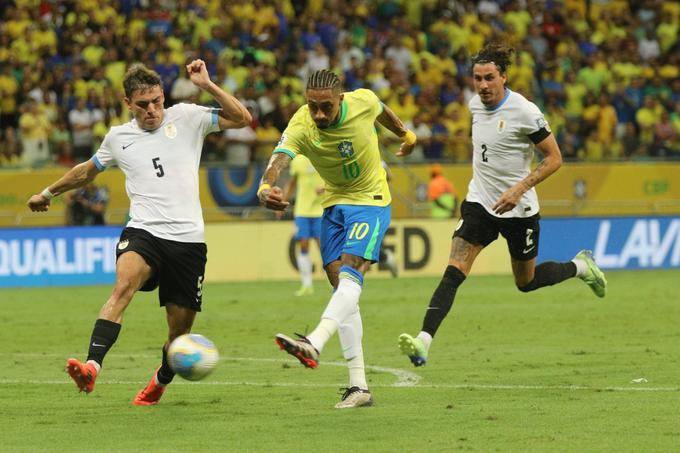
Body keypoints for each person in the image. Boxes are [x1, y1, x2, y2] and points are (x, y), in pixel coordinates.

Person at [26, 60, 252, 404]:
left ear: (164, 97)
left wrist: (207, 85)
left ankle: (159, 383)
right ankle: (91, 368)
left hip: (188, 240)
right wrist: (47, 193)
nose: (152, 110)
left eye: (157, 101)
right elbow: (86, 172)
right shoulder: (118, 138)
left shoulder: (188, 117)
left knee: (178, 336)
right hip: (144, 230)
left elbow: (242, 119)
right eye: (143, 104)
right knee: (122, 288)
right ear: (128, 103)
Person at [398, 44, 607, 367]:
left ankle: (581, 267)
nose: (483, 85)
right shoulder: (474, 105)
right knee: (454, 270)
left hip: (519, 209)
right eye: (477, 78)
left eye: (489, 78)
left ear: (504, 77)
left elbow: (555, 158)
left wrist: (519, 188)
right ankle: (423, 341)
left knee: (526, 282)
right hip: (480, 202)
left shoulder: (525, 112)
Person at [258, 69, 415, 408]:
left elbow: (382, 110)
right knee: (341, 286)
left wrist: (406, 134)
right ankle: (359, 387)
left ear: (340, 99)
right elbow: (279, 159)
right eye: (312, 105)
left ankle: (314, 342)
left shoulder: (362, 101)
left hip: (371, 200)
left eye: (325, 107)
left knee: (350, 271)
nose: (318, 114)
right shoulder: (302, 123)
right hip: (333, 204)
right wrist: (265, 186)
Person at [280, 153, 325, 296]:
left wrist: (325, 188)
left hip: (321, 209)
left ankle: (334, 282)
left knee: (322, 246)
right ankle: (307, 285)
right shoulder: (298, 160)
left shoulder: (322, 156)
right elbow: (292, 182)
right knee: (303, 244)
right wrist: (283, 200)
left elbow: (335, 178)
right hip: (302, 210)